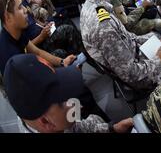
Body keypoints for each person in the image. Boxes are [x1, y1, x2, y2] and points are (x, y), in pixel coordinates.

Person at [78, 0, 161, 89]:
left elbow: (126, 37)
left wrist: (152, 40)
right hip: (139, 76)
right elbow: (131, 74)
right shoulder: (104, 26)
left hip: (132, 53)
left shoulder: (90, 6)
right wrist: (159, 59)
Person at [3, 54, 133, 133]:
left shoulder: (48, 118)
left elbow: (77, 126)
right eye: (65, 100)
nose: (79, 106)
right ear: (45, 122)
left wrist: (112, 129)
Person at [0, 0, 76, 75]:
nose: (25, 10)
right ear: (8, 17)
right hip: (31, 82)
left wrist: (63, 62)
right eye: (20, 7)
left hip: (32, 71)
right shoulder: (10, 57)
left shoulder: (16, 33)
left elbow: (38, 52)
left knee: (62, 55)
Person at [9, 0, 83, 57]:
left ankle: (78, 53)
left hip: (43, 33)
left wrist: (45, 24)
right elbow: (25, 48)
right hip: (40, 43)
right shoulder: (15, 14)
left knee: (62, 16)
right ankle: (81, 55)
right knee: (68, 30)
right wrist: (42, 36)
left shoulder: (23, 1)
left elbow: (33, 18)